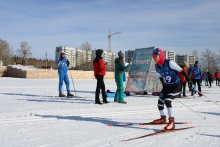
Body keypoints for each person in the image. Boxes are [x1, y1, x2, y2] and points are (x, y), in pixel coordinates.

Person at [151, 48, 192, 131]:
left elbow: (181, 71)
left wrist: (189, 81)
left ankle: (171, 122)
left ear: (160, 55)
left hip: (176, 85)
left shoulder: (169, 63)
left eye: (155, 56)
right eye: (153, 56)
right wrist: (164, 86)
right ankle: (163, 118)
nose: (154, 58)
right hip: (167, 86)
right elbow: (161, 77)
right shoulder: (156, 66)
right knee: (160, 102)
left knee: (167, 100)